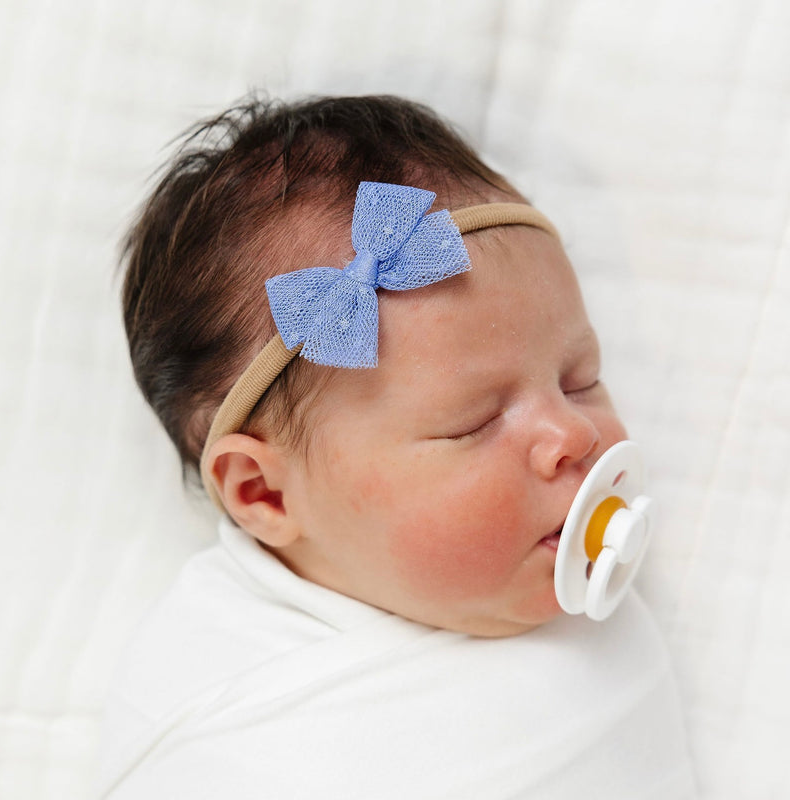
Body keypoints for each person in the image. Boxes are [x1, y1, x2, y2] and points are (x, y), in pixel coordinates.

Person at [99, 95, 697, 798]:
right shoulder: (211, 690)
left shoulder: (604, 625)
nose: (573, 434)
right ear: (264, 492)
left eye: (580, 379)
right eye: (473, 423)